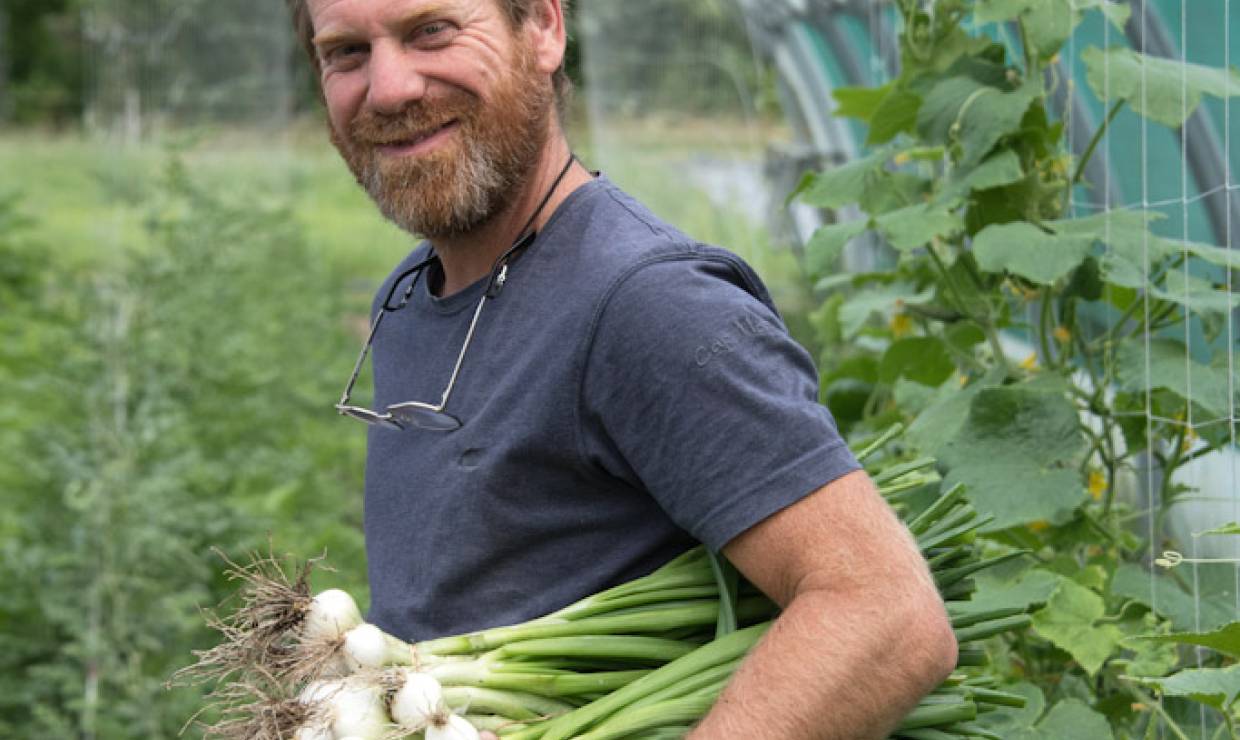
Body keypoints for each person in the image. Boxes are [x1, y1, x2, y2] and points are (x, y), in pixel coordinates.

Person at [287, 0, 957, 736]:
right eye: (346, 52)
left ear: (543, 28)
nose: (388, 88)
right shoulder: (409, 295)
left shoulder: (647, 303)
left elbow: (884, 612)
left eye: (431, 32)